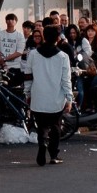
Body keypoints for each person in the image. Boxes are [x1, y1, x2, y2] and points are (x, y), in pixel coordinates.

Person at [28, 26, 72, 166]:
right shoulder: (63, 57)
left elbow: (28, 76)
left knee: (41, 126)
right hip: (56, 98)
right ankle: (54, 154)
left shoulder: (33, 54)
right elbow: (66, 80)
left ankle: (42, 144)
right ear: (58, 39)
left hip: (38, 96)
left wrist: (27, 93)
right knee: (56, 127)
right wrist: (69, 98)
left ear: (44, 37)